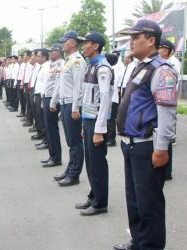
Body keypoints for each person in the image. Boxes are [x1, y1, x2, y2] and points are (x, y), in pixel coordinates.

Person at [114, 19, 177, 250]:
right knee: (135, 201)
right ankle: (138, 242)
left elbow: (167, 113)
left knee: (149, 204)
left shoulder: (162, 70)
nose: (131, 40)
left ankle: (150, 246)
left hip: (147, 145)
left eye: (136, 36)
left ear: (151, 41)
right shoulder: (141, 66)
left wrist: (161, 148)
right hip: (131, 144)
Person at [75, 32, 113, 216]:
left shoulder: (103, 68)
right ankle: (93, 195)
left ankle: (100, 203)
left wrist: (99, 129)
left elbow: (105, 98)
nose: (83, 46)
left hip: (97, 122)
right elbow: (88, 97)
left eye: (86, 43)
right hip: (89, 121)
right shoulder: (92, 65)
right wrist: (84, 125)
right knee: (90, 163)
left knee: (97, 164)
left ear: (96, 45)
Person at [51, 31, 86, 187]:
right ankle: (70, 169)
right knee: (70, 141)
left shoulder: (77, 61)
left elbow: (79, 86)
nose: (62, 44)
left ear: (72, 43)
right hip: (65, 103)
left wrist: (75, 108)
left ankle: (74, 174)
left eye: (65, 41)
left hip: (72, 104)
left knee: (75, 141)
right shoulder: (68, 61)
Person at [158, 39, 179, 181]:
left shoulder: (171, 64)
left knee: (166, 139)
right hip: (165, 101)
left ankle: (167, 171)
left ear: (165, 50)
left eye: (158, 48)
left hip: (168, 102)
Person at [41, 44, 64, 167]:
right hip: (48, 97)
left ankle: (56, 157)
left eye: (52, 51)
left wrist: (53, 101)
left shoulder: (61, 65)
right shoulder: (53, 65)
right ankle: (52, 155)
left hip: (52, 99)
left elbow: (58, 85)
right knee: (49, 128)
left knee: (52, 129)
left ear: (58, 52)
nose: (50, 53)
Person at [106, 50, 125, 147]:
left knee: (110, 119)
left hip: (112, 99)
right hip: (110, 98)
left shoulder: (114, 70)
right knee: (108, 119)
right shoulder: (111, 69)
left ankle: (111, 139)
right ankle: (109, 137)